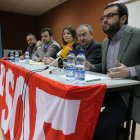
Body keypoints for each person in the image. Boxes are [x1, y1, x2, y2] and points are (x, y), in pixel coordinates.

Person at [85, 3, 140, 140]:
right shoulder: (105, 42)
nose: (104, 20)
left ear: (123, 19)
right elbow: (106, 69)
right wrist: (91, 67)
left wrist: (130, 71)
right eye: (103, 17)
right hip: (108, 90)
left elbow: (127, 71)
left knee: (101, 129)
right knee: (81, 113)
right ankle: (119, 134)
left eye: (110, 16)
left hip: (128, 95)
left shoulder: (137, 34)